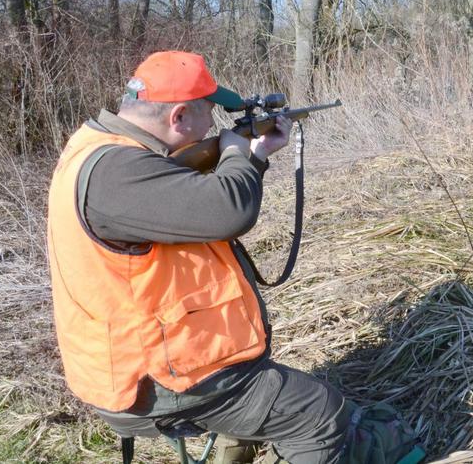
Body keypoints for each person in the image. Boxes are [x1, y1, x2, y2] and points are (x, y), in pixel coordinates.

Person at [46, 51, 349, 464]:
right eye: (210, 114)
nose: (215, 126)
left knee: (267, 390)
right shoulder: (118, 173)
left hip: (148, 358)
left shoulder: (101, 146)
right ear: (179, 118)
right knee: (318, 412)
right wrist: (235, 152)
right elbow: (227, 212)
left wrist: (254, 157)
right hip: (156, 378)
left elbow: (190, 210)